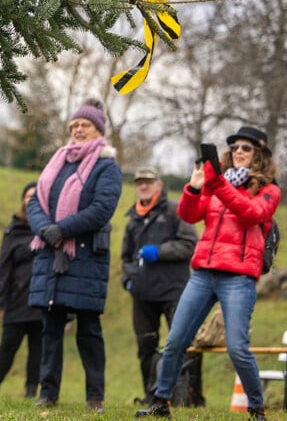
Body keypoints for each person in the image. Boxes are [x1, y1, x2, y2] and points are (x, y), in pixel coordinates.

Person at [137, 126, 280, 421]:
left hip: (238, 278)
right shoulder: (219, 185)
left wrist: (217, 186)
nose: (239, 151)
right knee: (176, 340)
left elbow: (251, 213)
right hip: (203, 274)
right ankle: (161, 402)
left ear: (259, 155)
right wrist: (194, 187)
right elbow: (189, 215)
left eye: (247, 148)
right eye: (235, 147)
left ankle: (256, 408)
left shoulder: (269, 190)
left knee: (238, 348)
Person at [26, 97, 122, 413]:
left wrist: (62, 229)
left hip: (86, 257)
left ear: (98, 131)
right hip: (50, 253)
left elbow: (101, 210)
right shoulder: (57, 161)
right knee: (50, 328)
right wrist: (45, 230)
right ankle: (47, 393)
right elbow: (35, 201)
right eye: (75, 125)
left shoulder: (107, 167)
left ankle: (95, 397)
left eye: (86, 125)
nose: (79, 130)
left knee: (89, 330)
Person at [121, 166, 198, 405]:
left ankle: (186, 398)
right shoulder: (133, 218)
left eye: (148, 181)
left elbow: (190, 243)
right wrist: (128, 280)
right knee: (146, 347)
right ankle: (151, 395)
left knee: (182, 344)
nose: (143, 186)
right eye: (139, 182)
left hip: (174, 290)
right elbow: (125, 257)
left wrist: (160, 252)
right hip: (142, 294)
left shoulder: (176, 210)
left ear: (159, 184)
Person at [0, 182, 42, 400]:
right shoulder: (13, 230)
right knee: (7, 346)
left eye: (36, 195)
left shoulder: (50, 229)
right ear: (22, 200)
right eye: (27, 196)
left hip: (42, 300)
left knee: (39, 349)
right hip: (17, 300)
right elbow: (3, 268)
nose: (31, 199)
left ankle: (31, 391)